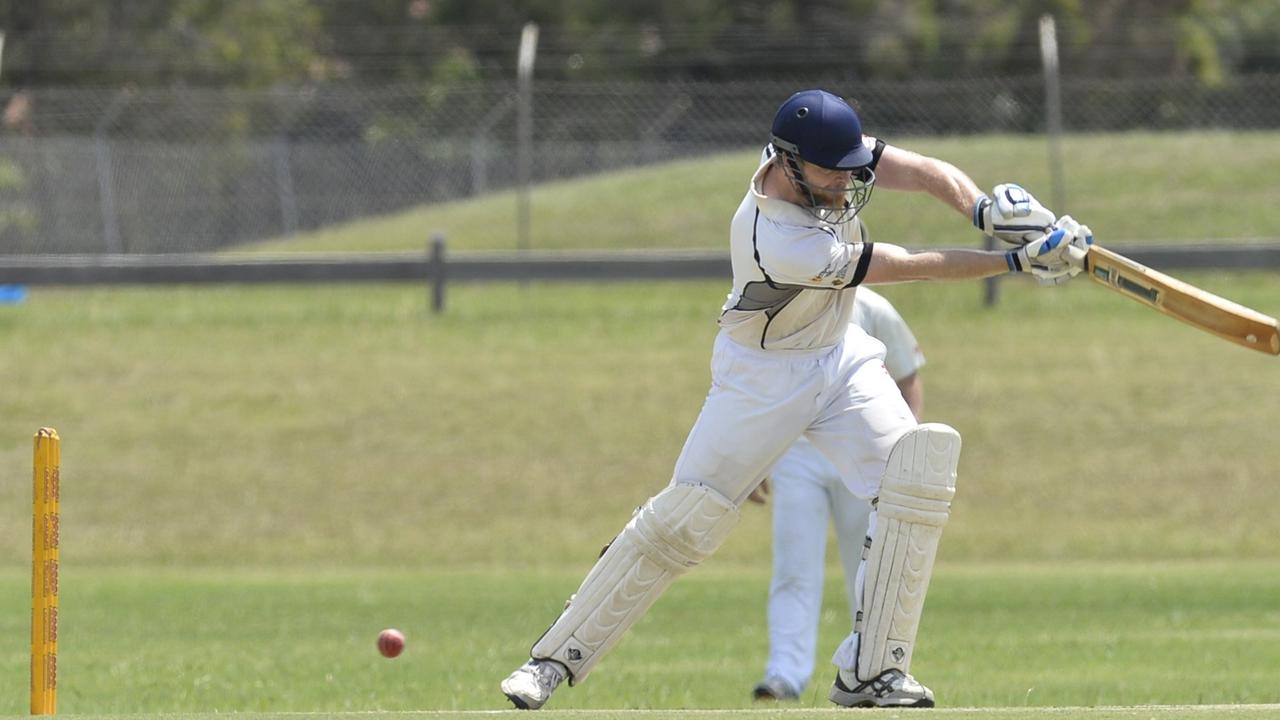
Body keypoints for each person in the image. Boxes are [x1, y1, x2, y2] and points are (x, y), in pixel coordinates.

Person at [500, 88, 1091, 710]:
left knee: (913, 477)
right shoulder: (777, 238)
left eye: (852, 166)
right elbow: (906, 263)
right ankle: (552, 660)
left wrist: (982, 209)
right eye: (832, 171)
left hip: (840, 356)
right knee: (685, 521)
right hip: (762, 378)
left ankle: (871, 671)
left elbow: (918, 171)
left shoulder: (820, 155)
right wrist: (1016, 261)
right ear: (787, 164)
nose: (847, 180)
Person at [749, 287, 925, 702]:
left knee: (868, 566)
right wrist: (753, 455)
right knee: (794, 567)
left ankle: (874, 667)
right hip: (796, 452)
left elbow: (907, 376)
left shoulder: (872, 307)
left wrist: (904, 452)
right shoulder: (784, 302)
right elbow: (759, 385)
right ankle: (784, 674)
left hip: (858, 452)